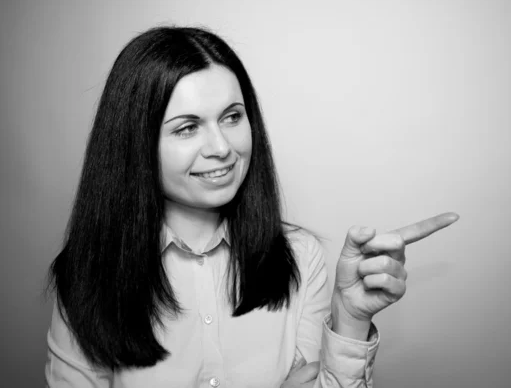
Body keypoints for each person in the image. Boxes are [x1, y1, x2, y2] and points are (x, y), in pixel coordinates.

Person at [45, 26, 458, 388]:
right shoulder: (87, 275)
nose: (223, 148)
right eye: (188, 127)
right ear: (135, 143)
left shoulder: (300, 257)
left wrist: (349, 318)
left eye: (232, 117)